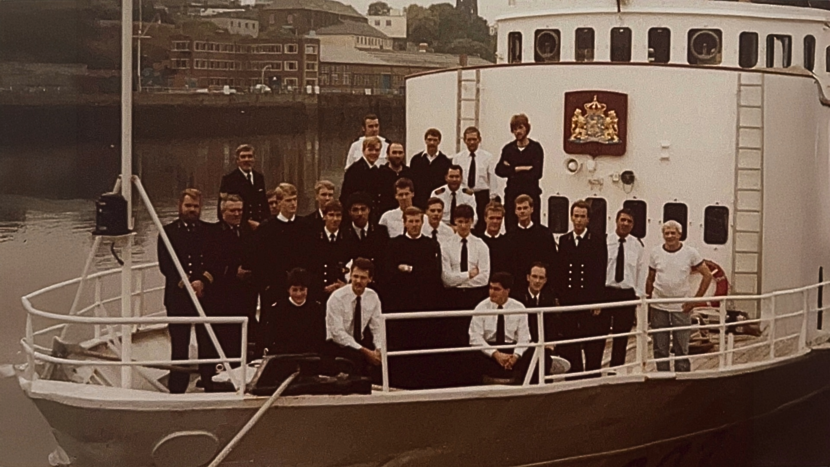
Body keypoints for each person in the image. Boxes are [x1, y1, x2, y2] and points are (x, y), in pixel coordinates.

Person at [157, 189, 214, 394]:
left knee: (206, 342)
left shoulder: (209, 231)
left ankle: (209, 382)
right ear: (180, 206)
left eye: (196, 206)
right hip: (178, 297)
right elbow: (166, 265)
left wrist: (202, 281)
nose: (192, 210)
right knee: (179, 345)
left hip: (204, 295)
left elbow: (213, 260)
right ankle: (177, 388)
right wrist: (186, 283)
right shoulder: (167, 232)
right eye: (188, 206)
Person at [646, 220, 713, 372]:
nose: (669, 236)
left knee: (681, 348)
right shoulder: (655, 252)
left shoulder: (690, 253)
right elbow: (650, 278)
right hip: (659, 306)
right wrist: (648, 301)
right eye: (666, 233)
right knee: (660, 348)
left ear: (679, 234)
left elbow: (707, 275)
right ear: (663, 234)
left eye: (673, 233)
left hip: (682, 307)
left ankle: (682, 377)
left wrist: (695, 301)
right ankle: (662, 378)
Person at [205, 194, 257, 370]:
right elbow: (212, 263)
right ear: (222, 212)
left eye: (240, 210)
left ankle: (240, 368)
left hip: (244, 295)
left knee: (242, 336)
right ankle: (220, 372)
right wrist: (234, 272)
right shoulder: (213, 234)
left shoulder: (246, 231)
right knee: (225, 335)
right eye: (232, 210)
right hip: (223, 295)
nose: (237, 214)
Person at [555, 200, 607, 375]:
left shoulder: (597, 241)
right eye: (575, 216)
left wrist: (598, 301)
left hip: (588, 299)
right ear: (571, 217)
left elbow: (600, 271)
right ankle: (574, 373)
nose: (578, 220)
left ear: (588, 219)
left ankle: (592, 373)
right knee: (570, 340)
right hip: (570, 299)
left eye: (582, 217)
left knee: (591, 340)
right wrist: (559, 298)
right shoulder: (565, 240)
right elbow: (561, 271)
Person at [325, 258, 384, 379]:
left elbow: (377, 328)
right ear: (350, 275)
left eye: (363, 278)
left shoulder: (373, 297)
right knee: (357, 360)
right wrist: (365, 351)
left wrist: (379, 350)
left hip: (360, 344)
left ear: (370, 279)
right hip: (337, 346)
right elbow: (337, 333)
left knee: (382, 361)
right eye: (355, 276)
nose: (358, 281)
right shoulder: (337, 298)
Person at [469, 272, 531, 383]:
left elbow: (524, 337)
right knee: (471, 356)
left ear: (507, 291)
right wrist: (495, 354)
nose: (492, 292)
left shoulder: (519, 307)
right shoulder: (481, 307)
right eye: (490, 288)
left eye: (497, 289)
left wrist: (516, 356)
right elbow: (475, 337)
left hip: (511, 348)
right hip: (489, 350)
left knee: (533, 354)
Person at [604, 208, 647, 368]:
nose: (625, 223)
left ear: (633, 225)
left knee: (621, 335)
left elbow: (641, 271)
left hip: (626, 294)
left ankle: (616, 369)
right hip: (606, 292)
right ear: (616, 221)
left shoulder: (637, 245)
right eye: (622, 220)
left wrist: (639, 294)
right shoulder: (605, 240)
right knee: (600, 333)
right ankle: (594, 368)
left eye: (629, 221)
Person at [256, 183, 309, 308]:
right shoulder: (266, 228)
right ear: (279, 202)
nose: (293, 204)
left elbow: (310, 256)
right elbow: (260, 259)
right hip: (275, 287)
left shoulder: (306, 226)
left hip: (300, 288)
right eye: (288, 200)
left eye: (295, 200)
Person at [385, 206, 443, 313]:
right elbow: (390, 271)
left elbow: (433, 272)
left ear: (422, 223)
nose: (414, 225)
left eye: (417, 221)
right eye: (411, 221)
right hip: (400, 300)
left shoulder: (431, 245)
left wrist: (410, 269)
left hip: (425, 300)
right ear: (405, 223)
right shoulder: (394, 245)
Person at [259, 268, 326, 357]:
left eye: (302, 289)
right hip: (284, 357)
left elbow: (320, 339)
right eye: (294, 290)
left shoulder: (316, 309)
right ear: (288, 290)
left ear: (307, 289)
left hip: (310, 357)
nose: (298, 294)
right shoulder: (277, 309)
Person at [495, 114, 544, 230]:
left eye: (520, 128)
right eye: (515, 129)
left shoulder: (536, 148)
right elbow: (499, 170)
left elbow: (537, 173)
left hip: (531, 194)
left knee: (533, 227)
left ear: (527, 128)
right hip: (512, 195)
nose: (518, 132)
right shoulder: (508, 149)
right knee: (511, 228)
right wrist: (519, 168)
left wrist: (511, 169)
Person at [441, 204, 490, 312]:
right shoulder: (446, 245)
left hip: (475, 296)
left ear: (472, 221)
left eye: (467, 222)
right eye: (460, 221)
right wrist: (468, 275)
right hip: (453, 297)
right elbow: (446, 280)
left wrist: (458, 280)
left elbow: (484, 278)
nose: (463, 226)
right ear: (454, 221)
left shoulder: (481, 245)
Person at [506, 195, 557, 294]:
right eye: (519, 208)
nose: (522, 211)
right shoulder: (509, 236)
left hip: (541, 288)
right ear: (515, 211)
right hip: (517, 288)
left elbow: (552, 261)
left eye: (525, 208)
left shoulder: (544, 234)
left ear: (532, 209)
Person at [453, 126, 499, 231]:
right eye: (469, 139)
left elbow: (492, 178)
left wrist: (492, 198)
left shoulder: (488, 157)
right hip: (464, 194)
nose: (472, 142)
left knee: (482, 225)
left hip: (482, 194)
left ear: (479, 139)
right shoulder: (457, 158)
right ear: (464, 140)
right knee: (465, 221)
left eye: (474, 139)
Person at [218, 144, 270, 230]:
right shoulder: (229, 179)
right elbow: (222, 211)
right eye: (243, 157)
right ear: (237, 160)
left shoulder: (259, 177)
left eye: (250, 156)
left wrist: (266, 222)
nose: (247, 160)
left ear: (254, 159)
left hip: (260, 226)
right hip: (241, 228)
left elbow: (264, 203)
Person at [307, 200, 350, 301]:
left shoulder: (348, 238)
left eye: (338, 215)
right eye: (331, 215)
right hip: (319, 293)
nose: (335, 219)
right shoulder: (313, 239)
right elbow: (309, 267)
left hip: (343, 292)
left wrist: (345, 284)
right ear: (324, 216)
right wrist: (322, 287)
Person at [341, 192, 390, 273]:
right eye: (355, 210)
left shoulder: (381, 232)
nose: (360, 214)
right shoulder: (343, 233)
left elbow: (385, 260)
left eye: (363, 209)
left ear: (369, 210)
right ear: (349, 212)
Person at [340, 136, 384, 218]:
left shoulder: (377, 170)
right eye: (370, 150)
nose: (374, 153)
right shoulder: (354, 171)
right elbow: (346, 196)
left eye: (377, 150)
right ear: (364, 150)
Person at [410, 128, 452, 209]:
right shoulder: (416, 160)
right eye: (429, 140)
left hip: (437, 201)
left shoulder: (446, 162)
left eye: (435, 140)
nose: (432, 143)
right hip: (419, 201)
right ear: (425, 140)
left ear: (439, 141)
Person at [477, 202, 512, 279]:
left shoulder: (508, 243)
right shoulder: (477, 241)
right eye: (491, 218)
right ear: (485, 218)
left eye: (498, 218)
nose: (495, 221)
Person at [378, 142, 413, 213]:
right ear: (387, 155)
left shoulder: (410, 173)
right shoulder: (379, 173)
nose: (397, 155)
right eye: (394, 152)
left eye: (400, 153)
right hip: (384, 213)